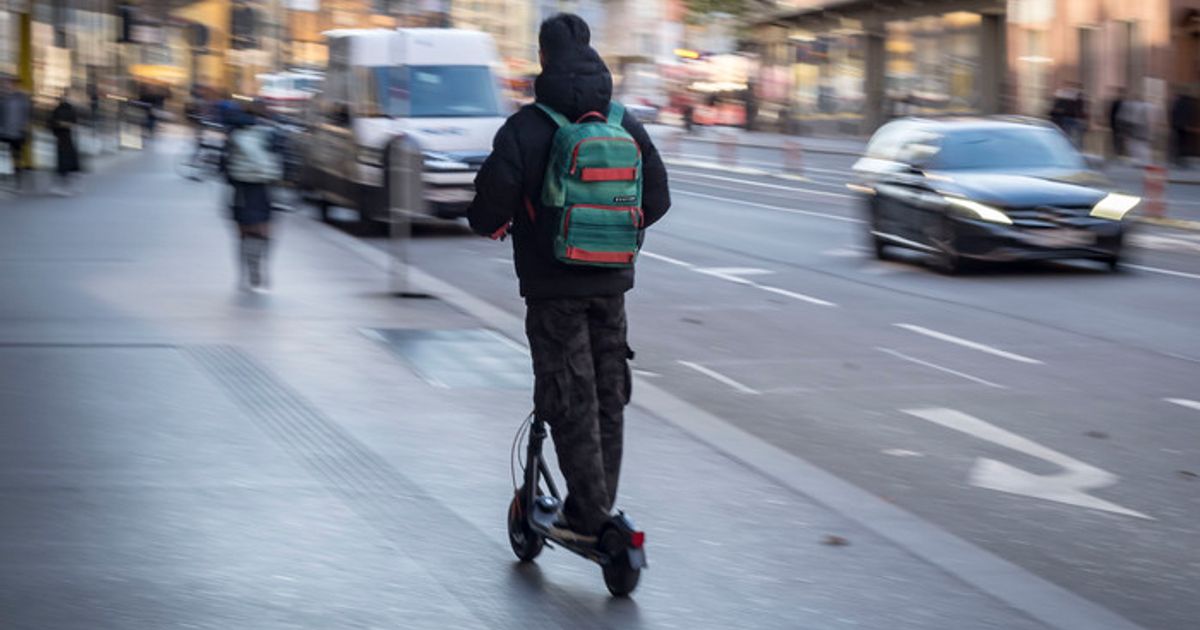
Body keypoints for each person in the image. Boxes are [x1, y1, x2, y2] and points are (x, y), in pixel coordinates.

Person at [468, 13, 671, 542]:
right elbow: (658, 199)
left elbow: (487, 212)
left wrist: (508, 223)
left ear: (543, 58)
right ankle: (598, 505)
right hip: (611, 285)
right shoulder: (625, 122)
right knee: (608, 394)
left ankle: (588, 515)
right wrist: (614, 235)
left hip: (552, 289)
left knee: (568, 395)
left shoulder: (526, 127)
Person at [220, 100, 284, 290]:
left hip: (240, 189)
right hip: (264, 188)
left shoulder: (234, 132)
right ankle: (263, 267)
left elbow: (223, 165)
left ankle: (243, 275)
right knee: (264, 230)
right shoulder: (272, 132)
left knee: (241, 234)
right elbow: (282, 161)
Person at [0, 74, 32, 192]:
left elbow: (27, 115)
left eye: (12, 84)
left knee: (16, 156)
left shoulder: (22, 98)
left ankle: (18, 182)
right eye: (8, 84)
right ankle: (12, 178)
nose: (9, 86)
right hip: (6, 131)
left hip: (17, 133)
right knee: (9, 155)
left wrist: (24, 127)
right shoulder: (4, 98)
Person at [48, 91, 82, 196]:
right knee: (67, 160)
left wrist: (60, 125)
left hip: (63, 138)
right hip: (66, 138)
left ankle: (65, 185)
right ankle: (68, 185)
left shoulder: (59, 109)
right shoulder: (67, 109)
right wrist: (63, 125)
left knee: (64, 160)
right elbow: (73, 123)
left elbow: (52, 123)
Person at [1170, 87, 1196, 167]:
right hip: (1185, 126)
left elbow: (1173, 114)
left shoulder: (1177, 103)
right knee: (1184, 142)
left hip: (1178, 126)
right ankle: (1183, 158)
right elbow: (1190, 115)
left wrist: (1173, 124)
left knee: (1178, 142)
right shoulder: (1188, 104)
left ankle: (1178, 159)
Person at [1108, 87, 1126, 160]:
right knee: (1117, 139)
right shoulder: (1118, 103)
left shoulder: (1123, 103)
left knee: (1119, 139)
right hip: (1117, 125)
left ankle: (1118, 153)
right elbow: (1112, 114)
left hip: (1120, 125)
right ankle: (1117, 153)